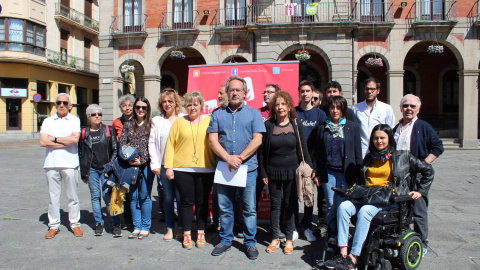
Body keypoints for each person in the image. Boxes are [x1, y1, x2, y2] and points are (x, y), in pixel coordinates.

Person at [324, 124, 434, 270]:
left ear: (389, 139)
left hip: (388, 199)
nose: (379, 141)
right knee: (343, 207)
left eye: (382, 138)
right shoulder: (369, 157)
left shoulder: (403, 156)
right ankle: (343, 252)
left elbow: (428, 171)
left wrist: (421, 191)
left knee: (365, 211)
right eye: (376, 138)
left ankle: (354, 257)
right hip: (368, 196)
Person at [208, 76, 265, 260]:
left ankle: (250, 243)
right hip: (225, 169)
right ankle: (225, 240)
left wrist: (239, 158)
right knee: (225, 207)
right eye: (231, 89)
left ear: (245, 93)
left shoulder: (254, 114)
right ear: (227, 92)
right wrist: (227, 158)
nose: (234, 93)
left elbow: (258, 140)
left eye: (238, 90)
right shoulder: (218, 114)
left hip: (247, 169)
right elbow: (212, 140)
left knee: (249, 209)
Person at [258, 91, 314, 255]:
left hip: (292, 171)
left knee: (291, 204)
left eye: (283, 103)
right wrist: (263, 172)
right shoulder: (269, 125)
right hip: (273, 171)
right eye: (277, 104)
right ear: (273, 107)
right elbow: (262, 151)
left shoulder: (296, 124)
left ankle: (289, 238)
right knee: (275, 206)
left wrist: (309, 168)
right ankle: (275, 237)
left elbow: (303, 147)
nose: (280, 107)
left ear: (289, 105)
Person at [393, 94, 444, 256]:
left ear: (418, 109)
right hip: (400, 177)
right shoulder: (397, 127)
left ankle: (422, 242)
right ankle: (406, 238)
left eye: (412, 106)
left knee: (419, 210)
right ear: (400, 108)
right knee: (402, 210)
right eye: (405, 106)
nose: (409, 109)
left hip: (417, 176)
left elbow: (438, 147)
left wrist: (424, 164)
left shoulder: (423, 126)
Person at [164, 91, 216, 249]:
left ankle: (201, 232)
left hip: (206, 169)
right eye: (190, 104)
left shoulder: (209, 120)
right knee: (186, 203)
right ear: (185, 106)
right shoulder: (179, 122)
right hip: (182, 168)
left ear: (201, 105)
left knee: (202, 202)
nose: (193, 107)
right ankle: (187, 234)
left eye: (196, 104)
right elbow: (170, 145)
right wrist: (169, 167)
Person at [315, 96, 362, 242]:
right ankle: (332, 235)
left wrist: (359, 174)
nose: (335, 111)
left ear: (343, 109)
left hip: (346, 172)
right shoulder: (322, 127)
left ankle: (343, 235)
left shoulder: (352, 127)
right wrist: (317, 172)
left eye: (338, 107)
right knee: (330, 205)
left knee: (342, 206)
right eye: (332, 107)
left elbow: (357, 152)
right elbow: (317, 153)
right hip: (328, 173)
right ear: (328, 109)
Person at [39, 93, 83, 238]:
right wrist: (65, 141)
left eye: (65, 103)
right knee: (53, 197)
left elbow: (75, 140)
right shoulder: (48, 121)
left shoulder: (74, 120)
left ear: (70, 106)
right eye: (59, 102)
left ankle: (75, 224)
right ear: (55, 105)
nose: (61, 105)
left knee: (72, 196)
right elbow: (43, 142)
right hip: (52, 163)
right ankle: (53, 225)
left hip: (70, 163)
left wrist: (55, 139)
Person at [78, 104, 121, 237]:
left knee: (108, 196)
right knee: (95, 196)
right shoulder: (84, 133)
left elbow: (115, 149)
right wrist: (83, 173)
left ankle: (115, 224)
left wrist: (110, 167)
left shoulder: (108, 130)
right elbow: (82, 154)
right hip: (92, 170)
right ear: (88, 117)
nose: (97, 116)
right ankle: (99, 223)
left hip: (106, 169)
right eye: (93, 114)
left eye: (99, 114)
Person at [149, 90, 184, 241]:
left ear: (176, 102)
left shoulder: (183, 118)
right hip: (164, 164)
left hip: (182, 165)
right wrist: (155, 163)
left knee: (182, 198)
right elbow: (151, 142)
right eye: (164, 102)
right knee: (168, 198)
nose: (167, 104)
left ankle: (182, 227)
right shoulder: (157, 120)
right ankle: (170, 228)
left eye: (170, 101)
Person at [119, 96, 155, 239]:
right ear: (134, 109)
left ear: (147, 109)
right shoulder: (128, 124)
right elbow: (122, 143)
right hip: (130, 165)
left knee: (144, 196)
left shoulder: (151, 124)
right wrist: (128, 159)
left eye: (143, 108)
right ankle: (137, 226)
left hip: (146, 165)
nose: (140, 110)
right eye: (138, 107)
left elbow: (154, 146)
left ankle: (145, 227)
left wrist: (143, 161)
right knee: (133, 197)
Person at [295, 80, 326, 242]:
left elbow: (322, 140)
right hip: (295, 159)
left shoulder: (320, 114)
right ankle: (293, 226)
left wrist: (315, 165)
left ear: (312, 93)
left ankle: (307, 226)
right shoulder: (294, 112)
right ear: (299, 93)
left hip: (312, 161)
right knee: (293, 194)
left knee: (309, 195)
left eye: (308, 91)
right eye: (302, 91)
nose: (305, 94)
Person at [352, 78, 395, 158]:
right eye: (367, 89)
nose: (369, 91)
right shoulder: (355, 109)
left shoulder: (386, 109)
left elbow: (390, 131)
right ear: (364, 90)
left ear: (378, 91)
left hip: (380, 153)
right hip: (361, 152)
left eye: (372, 89)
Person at [112, 94, 135, 229]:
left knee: (135, 191)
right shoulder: (116, 123)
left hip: (136, 159)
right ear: (121, 108)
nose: (127, 108)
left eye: (130, 105)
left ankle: (136, 217)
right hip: (122, 160)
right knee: (124, 190)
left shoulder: (138, 120)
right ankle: (127, 218)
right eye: (124, 105)